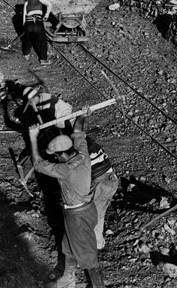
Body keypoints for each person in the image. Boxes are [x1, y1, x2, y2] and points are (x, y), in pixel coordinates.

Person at [28, 115, 105, 288]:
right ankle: (69, 275)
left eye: (56, 156)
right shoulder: (82, 154)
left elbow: (38, 164)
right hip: (87, 209)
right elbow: (78, 131)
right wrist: (82, 115)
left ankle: (98, 286)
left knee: (88, 257)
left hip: (77, 216)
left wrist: (33, 138)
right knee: (69, 244)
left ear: (63, 153)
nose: (55, 158)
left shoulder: (65, 169)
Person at [87, 136, 118, 250]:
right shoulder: (91, 143)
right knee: (100, 212)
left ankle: (97, 243)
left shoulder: (77, 150)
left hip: (102, 184)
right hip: (111, 179)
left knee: (95, 214)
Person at [22, 0, 52, 66]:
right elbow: (49, 5)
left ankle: (26, 54)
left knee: (28, 38)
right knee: (42, 41)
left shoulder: (27, 2)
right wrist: (46, 15)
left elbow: (24, 15)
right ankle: (43, 59)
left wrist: (24, 26)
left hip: (29, 22)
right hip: (38, 21)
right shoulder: (40, 0)